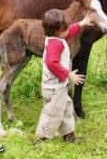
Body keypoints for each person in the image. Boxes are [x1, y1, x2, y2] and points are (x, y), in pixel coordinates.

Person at [36, 9, 95, 142]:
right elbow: (51, 63)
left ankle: (69, 136)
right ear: (58, 30)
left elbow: (71, 31)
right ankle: (41, 138)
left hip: (59, 87)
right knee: (53, 113)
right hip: (53, 88)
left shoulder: (57, 38)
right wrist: (68, 74)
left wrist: (83, 23)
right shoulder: (54, 44)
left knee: (67, 110)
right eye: (65, 27)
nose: (68, 29)